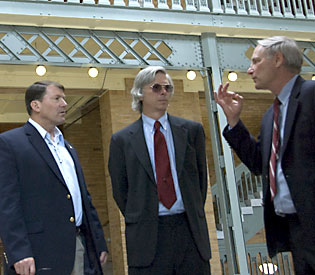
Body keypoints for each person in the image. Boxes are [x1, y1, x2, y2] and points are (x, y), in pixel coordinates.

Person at [214, 36, 315, 274]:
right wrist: (234, 122)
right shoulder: (270, 116)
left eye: (256, 61)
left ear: (277, 59)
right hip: (297, 232)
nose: (249, 69)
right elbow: (259, 164)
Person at [108, 66, 211, 275]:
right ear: (140, 94)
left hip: (189, 231)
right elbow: (121, 191)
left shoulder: (192, 131)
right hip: (147, 236)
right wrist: (139, 214)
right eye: (156, 87)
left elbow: (200, 181)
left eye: (167, 87)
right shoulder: (122, 140)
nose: (163, 92)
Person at [0, 81, 108, 275]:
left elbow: (84, 199)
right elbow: (7, 204)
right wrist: (18, 251)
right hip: (39, 253)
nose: (64, 104)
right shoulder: (10, 143)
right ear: (36, 105)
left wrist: (98, 242)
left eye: (64, 99)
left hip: (79, 246)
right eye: (57, 98)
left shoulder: (68, 148)